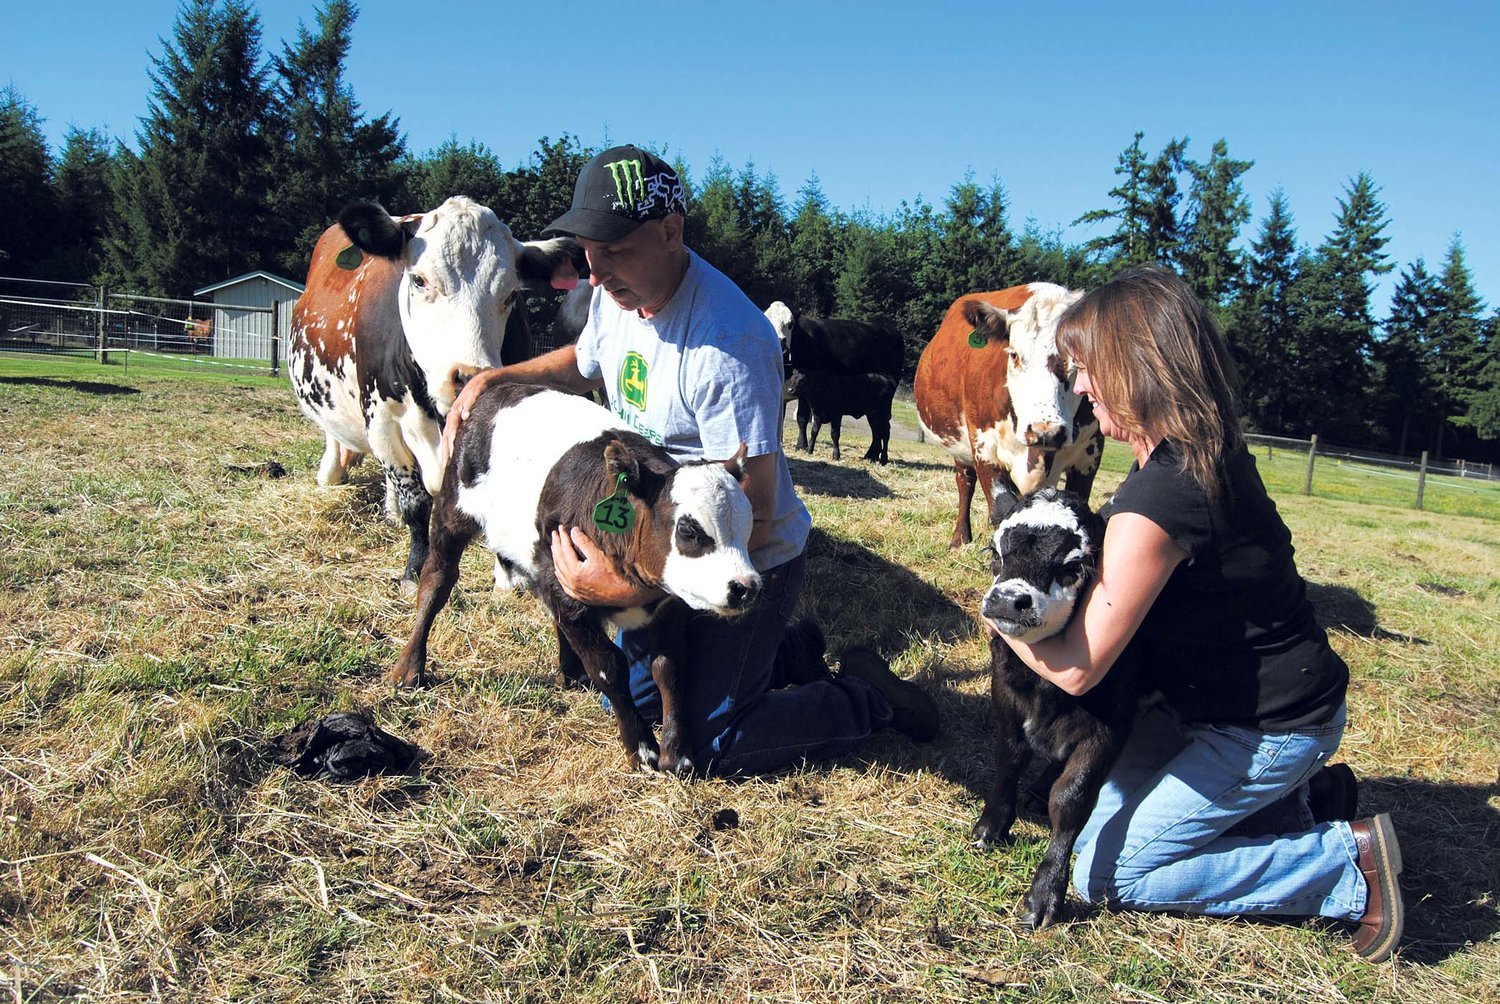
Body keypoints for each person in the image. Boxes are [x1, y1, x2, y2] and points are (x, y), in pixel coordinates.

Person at [445, 144, 939, 777]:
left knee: (708, 748)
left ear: (672, 232)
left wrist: (624, 586)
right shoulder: (616, 293)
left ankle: (865, 700)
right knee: (626, 693)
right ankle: (791, 654)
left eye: (617, 248)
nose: (596, 271)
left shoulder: (726, 345)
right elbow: (584, 362)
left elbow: (755, 513)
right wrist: (494, 379)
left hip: (744, 556)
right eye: (589, 249)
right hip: (665, 549)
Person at [986, 266, 1403, 962]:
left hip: (1267, 730)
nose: (1080, 389)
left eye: (1087, 371)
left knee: (1106, 870)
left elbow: (1082, 669)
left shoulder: (1164, 498)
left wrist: (1000, 612)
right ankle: (1291, 806)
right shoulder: (1202, 452)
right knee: (1101, 796)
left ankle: (1343, 866)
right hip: (1256, 707)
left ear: (1136, 369)